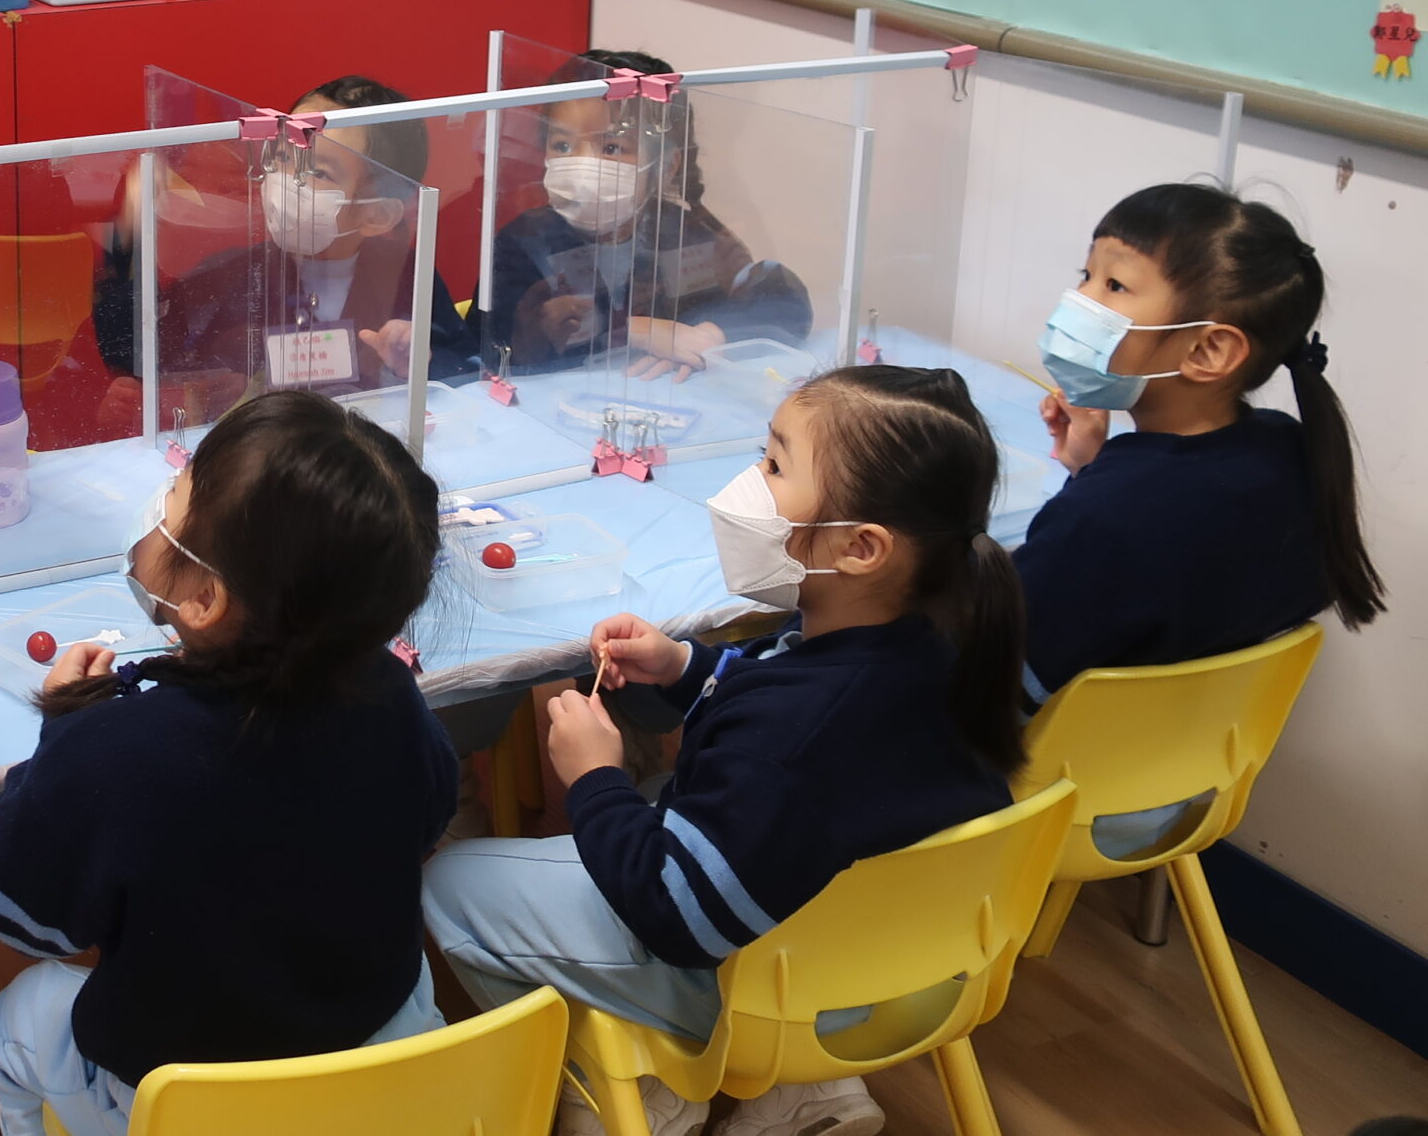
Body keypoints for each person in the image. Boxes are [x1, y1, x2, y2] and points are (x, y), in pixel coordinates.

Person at [424, 365, 1027, 1136]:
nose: (750, 481)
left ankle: (639, 1086)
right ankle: (813, 1089)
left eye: (775, 464)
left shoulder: (791, 738)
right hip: (905, 957)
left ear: (861, 547)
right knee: (658, 798)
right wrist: (683, 667)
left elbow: (676, 913)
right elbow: (774, 695)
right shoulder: (928, 648)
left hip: (772, 985)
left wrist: (595, 777)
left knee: (449, 883)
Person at [0, 389, 454, 1136]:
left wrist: (62, 735)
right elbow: (429, 819)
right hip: (383, 1068)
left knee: (15, 1020)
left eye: (176, 491)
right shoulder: (393, 694)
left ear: (204, 598)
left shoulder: (113, 754)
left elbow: (18, 915)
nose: (159, 505)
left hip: (192, 1108)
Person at [1022, 183, 1384, 708]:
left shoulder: (1103, 517)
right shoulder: (1289, 449)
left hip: (1047, 757)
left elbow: (999, 677)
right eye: (1087, 274)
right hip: (1181, 754)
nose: (1080, 300)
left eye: (1115, 285)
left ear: (1210, 350)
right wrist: (1088, 468)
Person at [95, 74, 477, 402]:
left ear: (377, 215)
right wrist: (128, 239)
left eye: (319, 173)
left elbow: (464, 365)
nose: (285, 182)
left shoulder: (404, 276)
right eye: (281, 158)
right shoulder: (233, 275)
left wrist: (415, 362)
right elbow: (134, 354)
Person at [487, 50, 811, 380]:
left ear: (666, 166)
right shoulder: (526, 243)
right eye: (562, 146)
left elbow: (784, 301)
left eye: (611, 148)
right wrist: (633, 331)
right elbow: (493, 349)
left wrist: (711, 334)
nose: (582, 167)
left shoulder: (684, 230)